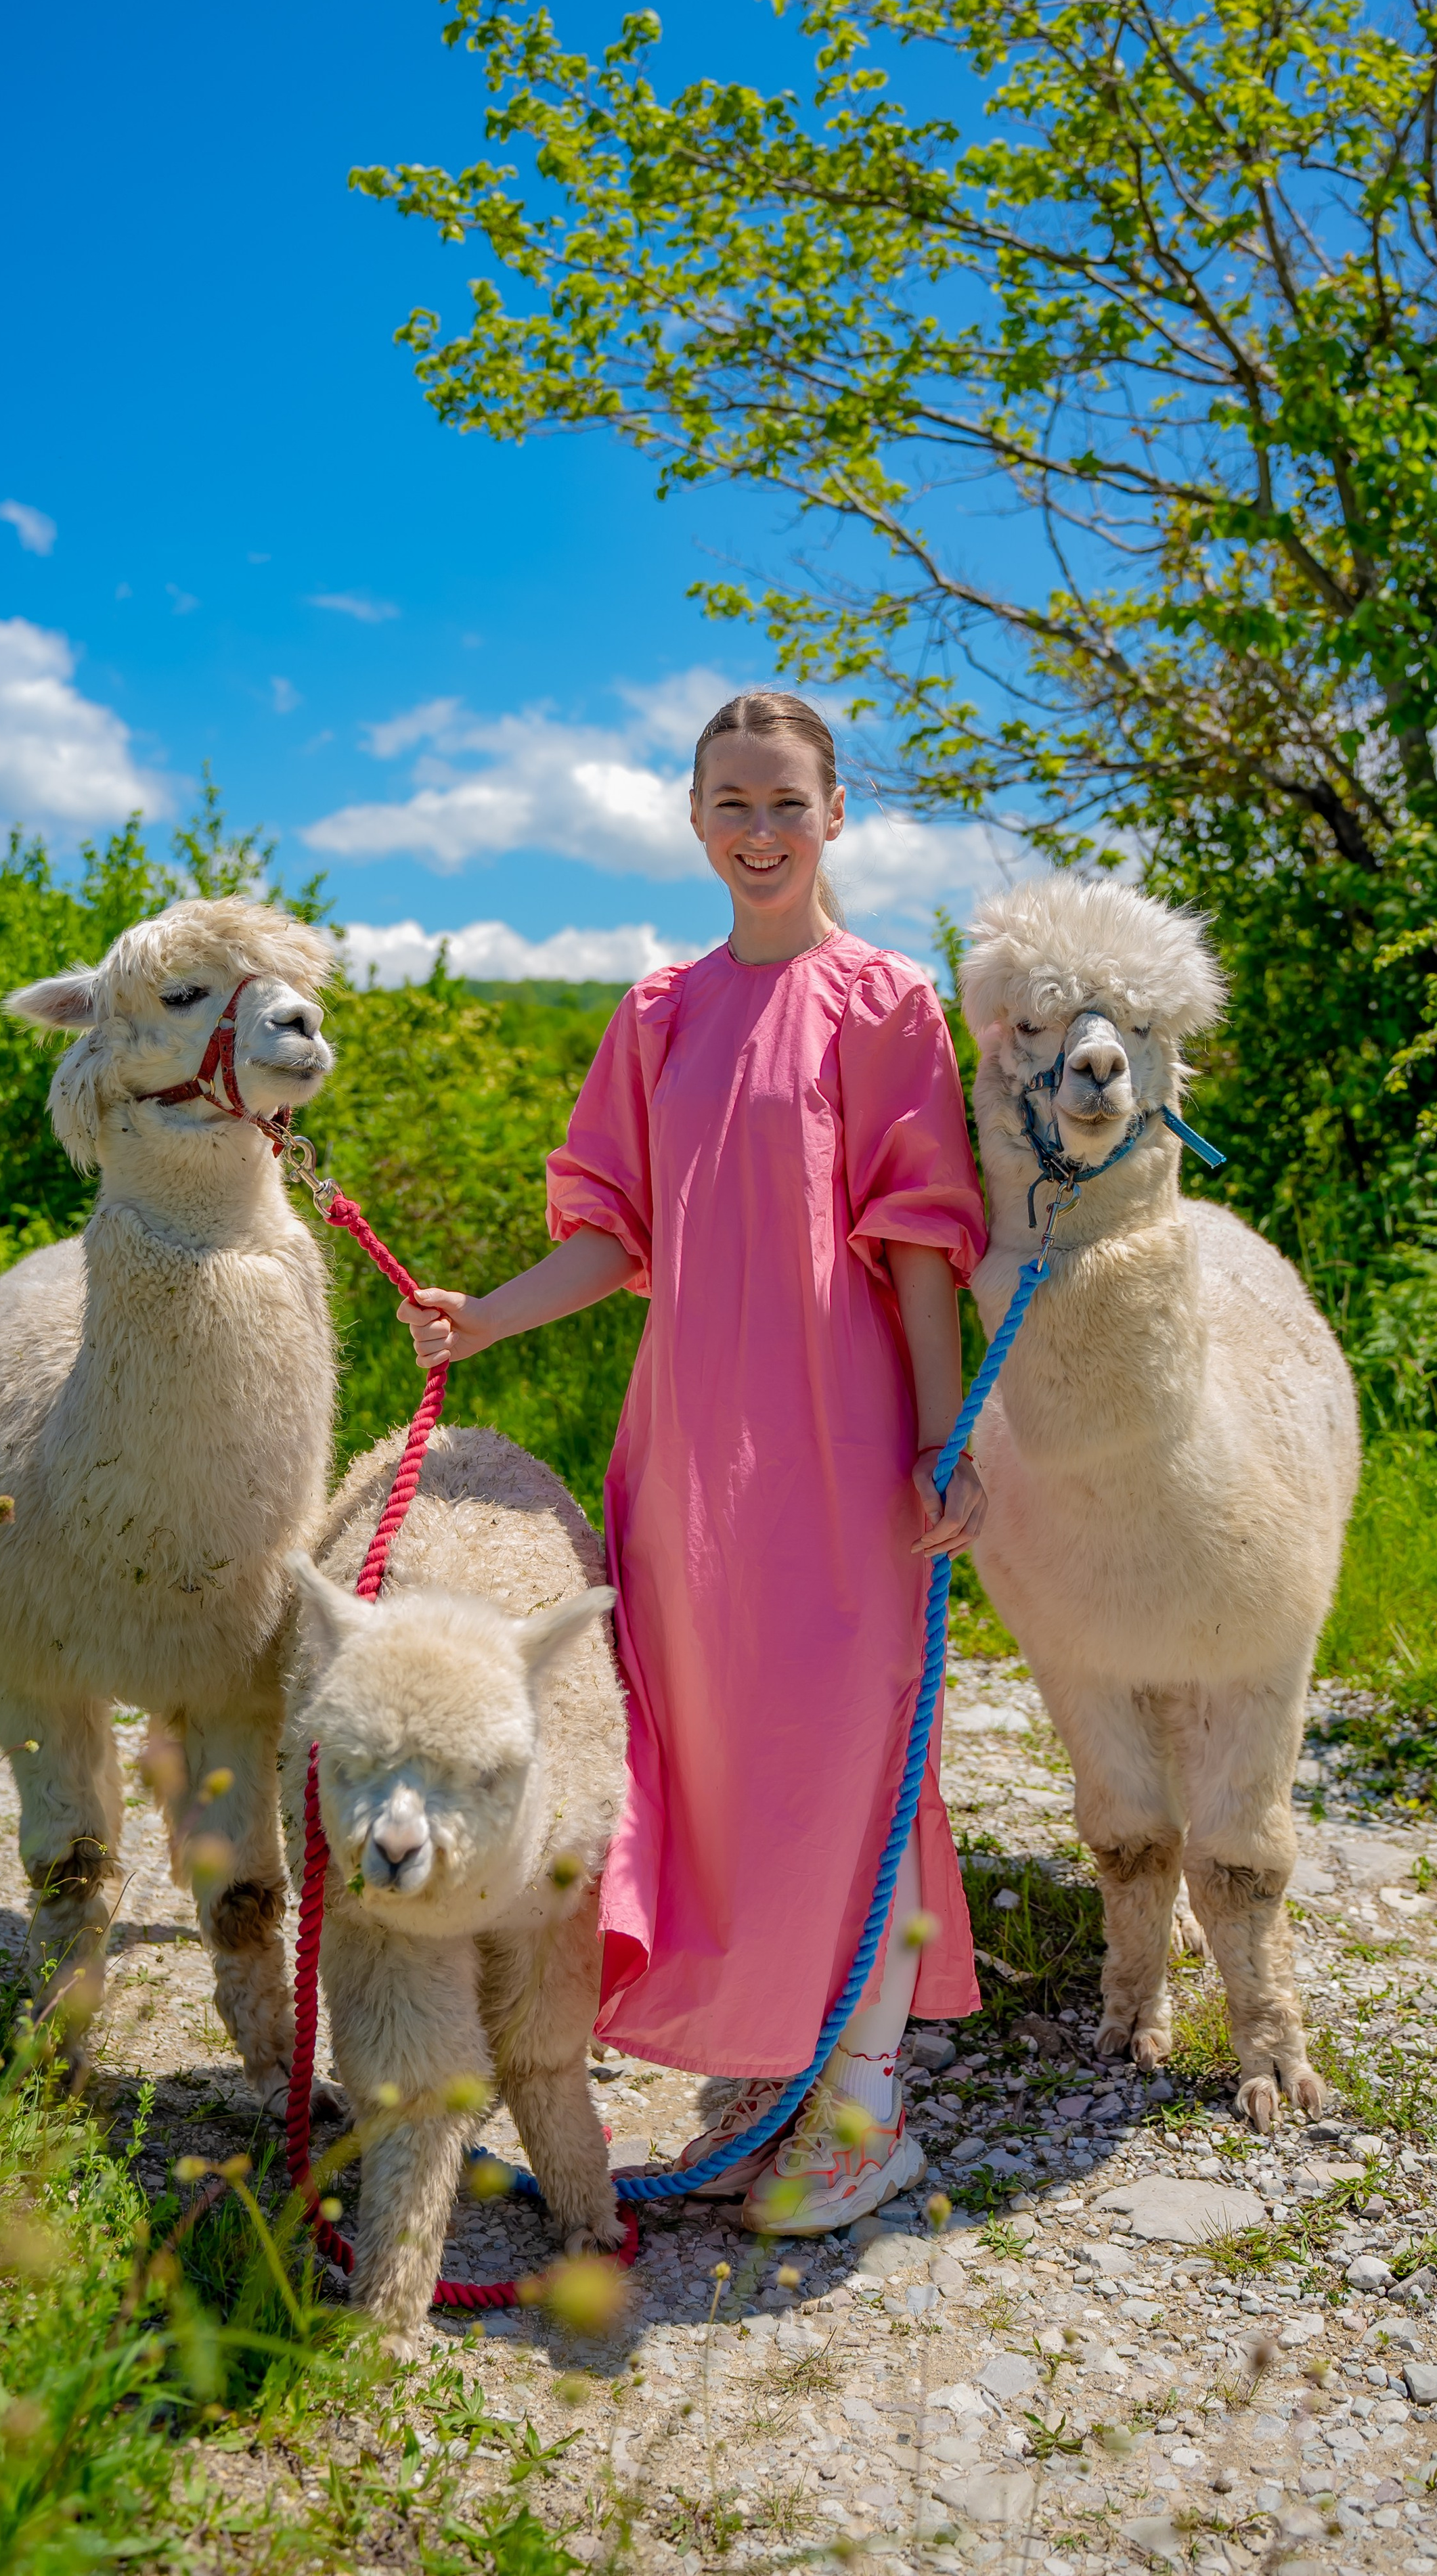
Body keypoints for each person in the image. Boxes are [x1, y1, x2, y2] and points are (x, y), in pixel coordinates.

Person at [397, 690, 988, 2233]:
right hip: (685, 1456)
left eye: (786, 802)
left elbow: (920, 1251)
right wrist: (478, 1324)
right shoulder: (658, 1008)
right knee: (708, 1755)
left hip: (841, 1440)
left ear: (836, 814)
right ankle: (764, 2060)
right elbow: (610, 1238)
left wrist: (943, 1442)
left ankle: (864, 2109)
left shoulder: (884, 1003)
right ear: (691, 818)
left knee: (851, 1748)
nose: (758, 831)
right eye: (729, 801)